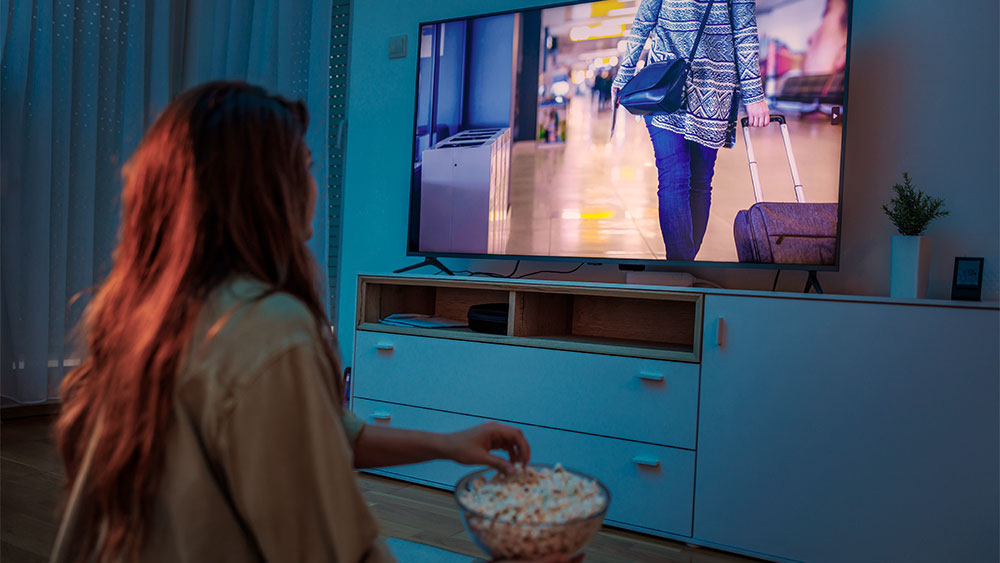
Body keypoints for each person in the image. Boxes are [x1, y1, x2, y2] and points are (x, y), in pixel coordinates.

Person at [51, 81, 574, 563]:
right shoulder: (269, 328)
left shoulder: (144, 312)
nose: (313, 186)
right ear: (260, 191)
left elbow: (329, 436)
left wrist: (449, 444)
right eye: (303, 166)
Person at [611, 0, 770, 261]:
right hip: (676, 88)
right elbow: (644, 22)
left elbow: (744, 31)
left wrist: (754, 95)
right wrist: (624, 74)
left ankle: (682, 267)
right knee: (681, 177)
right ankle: (681, 268)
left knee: (696, 179)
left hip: (691, 87)